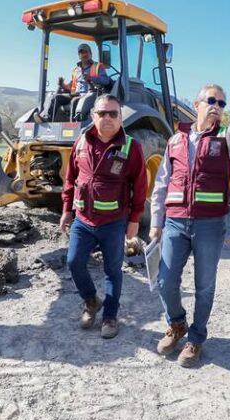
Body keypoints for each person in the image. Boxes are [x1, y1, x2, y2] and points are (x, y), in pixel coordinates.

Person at [149, 84, 230, 367]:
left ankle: (195, 339)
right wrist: (156, 222)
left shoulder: (224, 139)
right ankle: (177, 323)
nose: (216, 106)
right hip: (175, 222)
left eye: (221, 103)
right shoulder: (175, 140)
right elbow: (161, 183)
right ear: (195, 104)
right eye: (211, 100)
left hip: (209, 224)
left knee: (204, 286)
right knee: (165, 280)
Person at [60, 94, 147, 339]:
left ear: (120, 117)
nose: (107, 118)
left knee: (113, 270)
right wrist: (67, 210)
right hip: (83, 220)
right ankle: (91, 300)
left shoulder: (132, 147)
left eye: (113, 113)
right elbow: (70, 179)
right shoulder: (80, 143)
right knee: (74, 261)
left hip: (114, 221)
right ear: (92, 116)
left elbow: (139, 186)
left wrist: (134, 220)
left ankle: (110, 315)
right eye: (102, 113)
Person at [46, 43, 111, 121]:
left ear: (91, 54)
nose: (84, 54)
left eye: (86, 52)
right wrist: (63, 85)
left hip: (91, 95)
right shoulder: (76, 70)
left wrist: (91, 78)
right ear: (79, 55)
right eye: (81, 52)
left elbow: (106, 81)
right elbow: (73, 88)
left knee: (75, 101)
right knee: (56, 98)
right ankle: (47, 120)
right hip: (76, 94)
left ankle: (72, 127)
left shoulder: (97, 66)